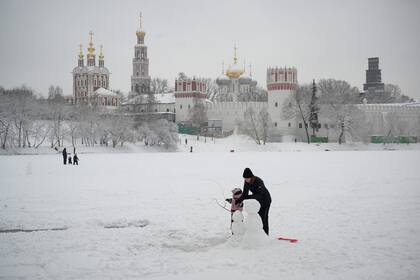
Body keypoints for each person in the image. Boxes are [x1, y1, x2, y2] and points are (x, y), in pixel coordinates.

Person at [236, 168, 272, 235]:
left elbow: (259, 195)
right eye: (244, 179)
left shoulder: (259, 181)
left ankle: (265, 236)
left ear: (251, 177)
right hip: (257, 202)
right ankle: (258, 235)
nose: (246, 180)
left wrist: (248, 197)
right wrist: (239, 200)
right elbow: (245, 194)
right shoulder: (246, 182)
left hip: (265, 201)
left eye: (247, 178)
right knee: (257, 219)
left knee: (263, 219)